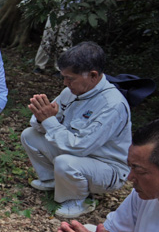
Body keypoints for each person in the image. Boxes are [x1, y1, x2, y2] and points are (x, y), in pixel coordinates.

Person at [21, 41, 131, 218]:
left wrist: (49, 121)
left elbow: (80, 147)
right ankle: (52, 180)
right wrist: (44, 118)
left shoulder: (112, 105)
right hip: (78, 155)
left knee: (66, 162)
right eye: (64, 77)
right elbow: (41, 123)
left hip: (107, 167)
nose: (65, 83)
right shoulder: (71, 92)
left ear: (93, 76)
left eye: (70, 78)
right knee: (30, 135)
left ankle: (79, 200)